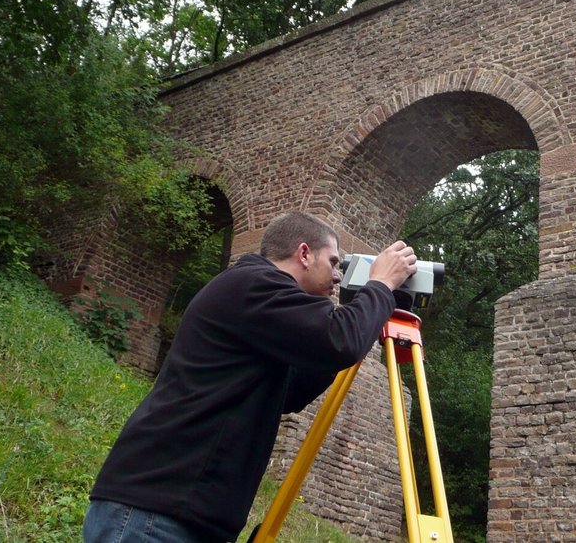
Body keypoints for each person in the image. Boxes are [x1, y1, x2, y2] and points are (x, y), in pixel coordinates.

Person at [83, 211, 417, 542]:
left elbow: (292, 391)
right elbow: (338, 341)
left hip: (175, 513)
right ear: (304, 253)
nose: (337, 276)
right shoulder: (255, 284)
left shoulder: (258, 305)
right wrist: (380, 285)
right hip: (155, 513)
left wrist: (361, 318)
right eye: (333, 262)